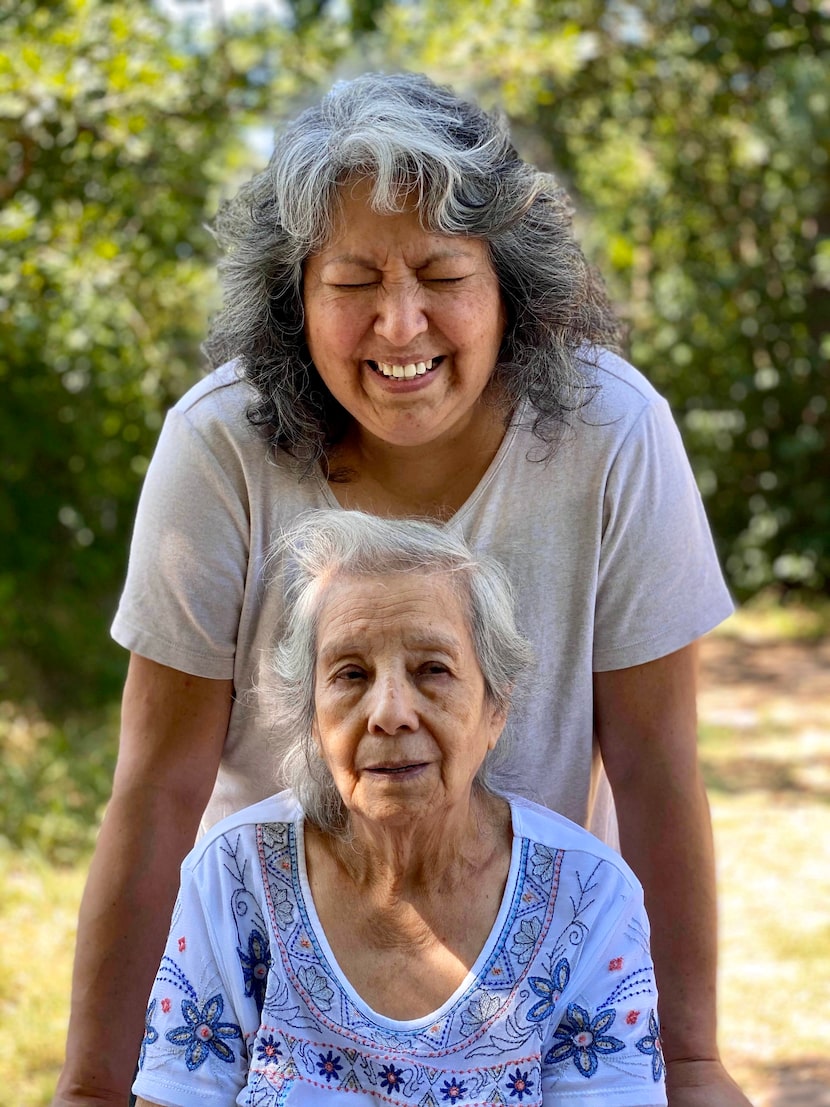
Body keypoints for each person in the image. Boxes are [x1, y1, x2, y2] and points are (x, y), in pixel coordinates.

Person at [55, 73, 749, 1107]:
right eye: (351, 282)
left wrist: (688, 1061)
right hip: (269, 975)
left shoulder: (613, 431)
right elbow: (157, 789)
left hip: (524, 979)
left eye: (438, 272)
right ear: (295, 296)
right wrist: (90, 1087)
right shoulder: (217, 446)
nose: (398, 325)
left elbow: (652, 765)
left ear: (506, 284)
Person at [132, 510, 668, 1107]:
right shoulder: (236, 876)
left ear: (496, 706)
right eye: (351, 674)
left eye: (432, 670)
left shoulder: (589, 895)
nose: (390, 712)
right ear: (312, 714)